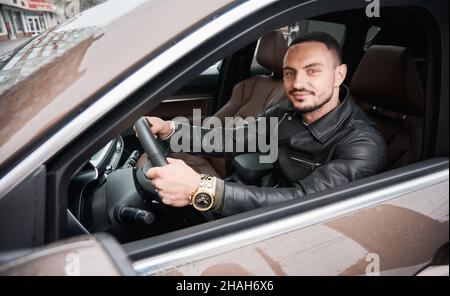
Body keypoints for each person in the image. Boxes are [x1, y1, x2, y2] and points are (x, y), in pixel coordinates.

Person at [143, 31, 388, 217]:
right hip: (260, 196)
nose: (297, 83)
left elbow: (302, 201)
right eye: (290, 73)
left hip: (290, 223)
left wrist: (202, 187)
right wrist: (170, 130)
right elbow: (233, 140)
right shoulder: (285, 112)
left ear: (339, 75)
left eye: (313, 71)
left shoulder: (363, 145)